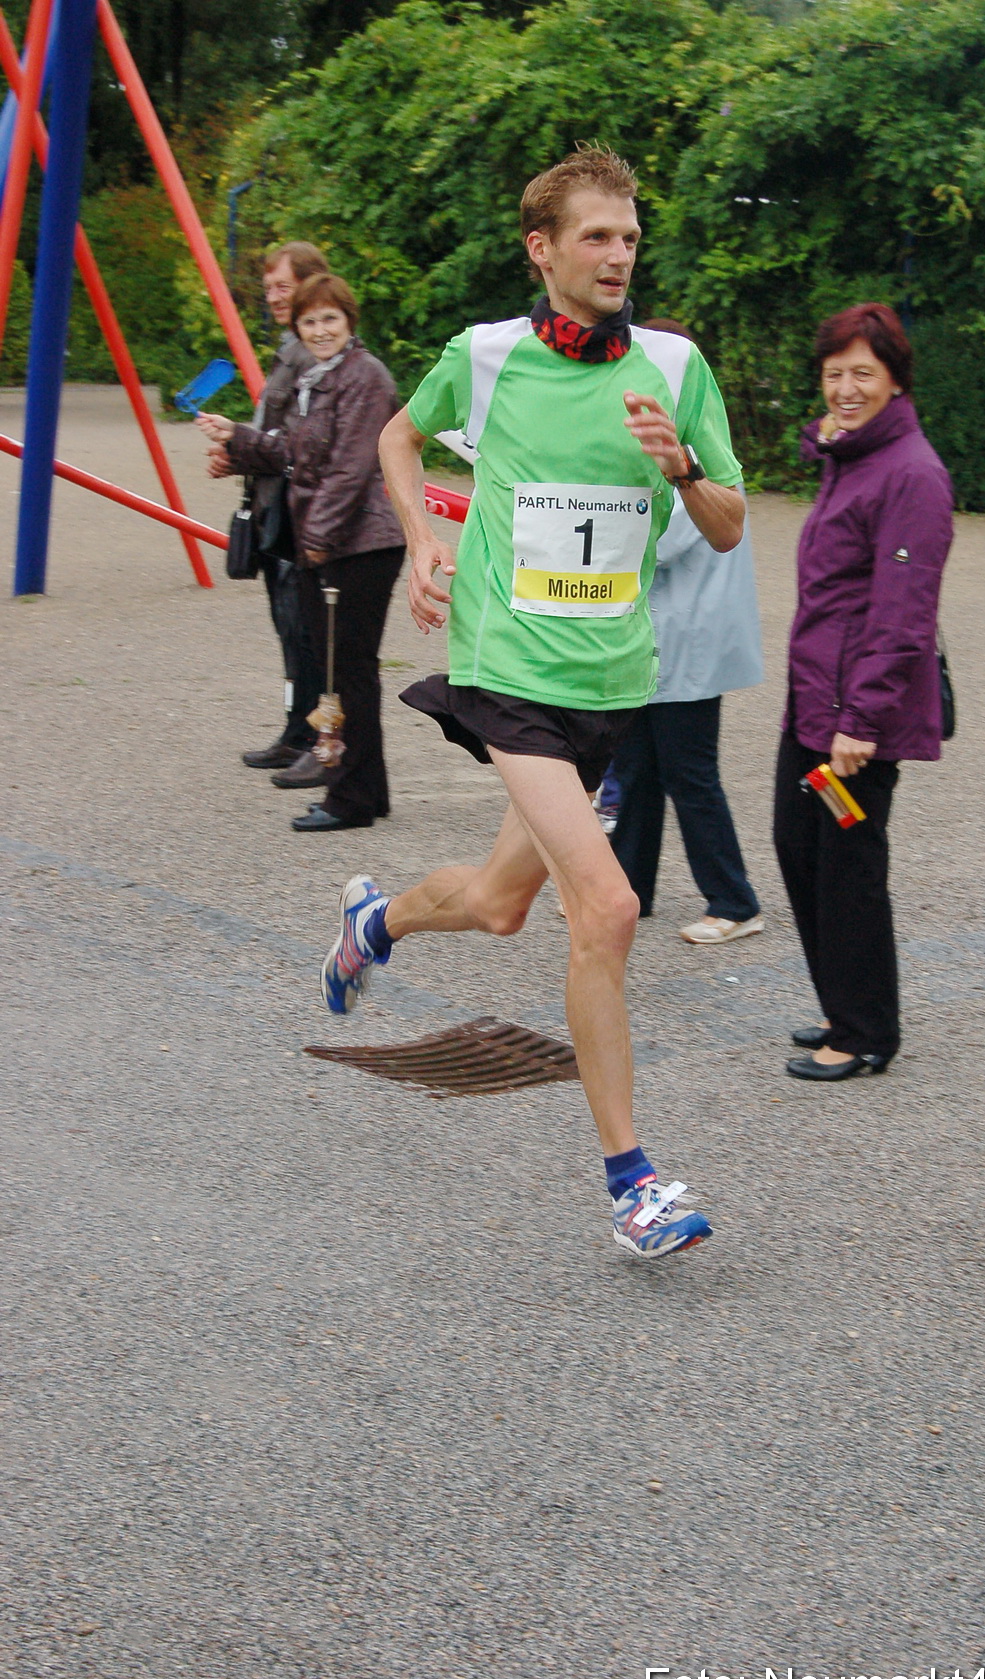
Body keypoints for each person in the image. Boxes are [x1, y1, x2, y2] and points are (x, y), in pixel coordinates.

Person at [320, 147, 745, 1259]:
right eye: (597, 236)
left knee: (504, 904)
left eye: (631, 237)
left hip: (612, 685)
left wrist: (683, 467)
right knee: (602, 910)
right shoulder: (487, 358)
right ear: (542, 248)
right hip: (508, 670)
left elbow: (731, 524)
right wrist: (421, 543)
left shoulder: (673, 365)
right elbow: (397, 438)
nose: (619, 255)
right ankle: (632, 1185)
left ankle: (379, 919)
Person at [773, 302, 953, 1080]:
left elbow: (902, 613)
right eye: (833, 373)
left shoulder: (910, 473)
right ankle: (840, 1002)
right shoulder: (849, 457)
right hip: (815, 703)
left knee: (846, 866)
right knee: (798, 845)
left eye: (861, 374)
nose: (844, 388)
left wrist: (862, 718)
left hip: (855, 718)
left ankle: (866, 1030)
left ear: (893, 380)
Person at [200, 274, 406, 831]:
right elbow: (294, 450)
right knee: (342, 672)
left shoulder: (365, 378)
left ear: (349, 322)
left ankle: (350, 798)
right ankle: (365, 790)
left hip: (358, 545)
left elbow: (350, 470)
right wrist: (237, 437)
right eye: (309, 322)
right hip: (333, 544)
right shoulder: (320, 378)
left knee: (345, 675)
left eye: (329, 320)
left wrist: (316, 543)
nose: (319, 330)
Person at [610, 319, 763, 944]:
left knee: (688, 770)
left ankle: (733, 900)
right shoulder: (664, 452)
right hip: (656, 640)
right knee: (637, 765)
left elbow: (658, 542)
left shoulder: (696, 454)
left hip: (687, 642)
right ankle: (627, 891)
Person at [210, 241, 328, 788]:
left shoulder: (313, 352)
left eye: (284, 287)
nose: (275, 298)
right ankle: (296, 729)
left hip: (301, 511)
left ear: (311, 283)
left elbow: (297, 440)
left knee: (306, 630)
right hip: (277, 504)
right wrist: (238, 448)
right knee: (290, 627)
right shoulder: (290, 347)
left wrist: (240, 442)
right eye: (270, 290)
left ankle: (312, 736)